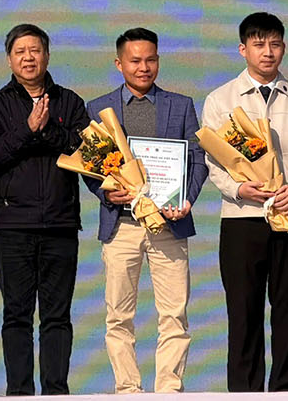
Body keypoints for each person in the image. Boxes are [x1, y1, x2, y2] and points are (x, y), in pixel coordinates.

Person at [201, 12, 288, 392]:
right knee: (243, 314)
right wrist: (238, 189)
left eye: (274, 44)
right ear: (243, 49)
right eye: (258, 44)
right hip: (242, 220)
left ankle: (287, 393)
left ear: (283, 48)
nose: (267, 52)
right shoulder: (220, 99)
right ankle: (244, 394)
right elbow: (212, 159)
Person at [84, 28, 208, 395]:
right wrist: (107, 193)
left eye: (150, 60)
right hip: (121, 225)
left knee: (174, 314)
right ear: (118, 63)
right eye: (135, 61)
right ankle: (128, 389)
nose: (144, 67)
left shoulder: (180, 105)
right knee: (118, 315)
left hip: (170, 224)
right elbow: (90, 168)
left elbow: (197, 159)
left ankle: (169, 388)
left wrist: (187, 198)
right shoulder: (98, 107)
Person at [0, 23, 89, 396]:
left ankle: (56, 391)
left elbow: (85, 151)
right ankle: (19, 393)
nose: (29, 58)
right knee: (17, 315)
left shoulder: (69, 102)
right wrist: (27, 129)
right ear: (9, 59)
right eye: (20, 52)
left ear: (47, 55)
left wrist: (46, 131)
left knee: (57, 316)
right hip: (13, 225)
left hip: (60, 223)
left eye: (35, 50)